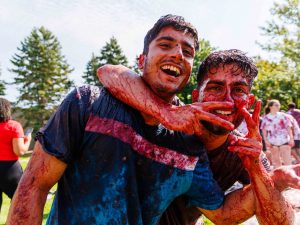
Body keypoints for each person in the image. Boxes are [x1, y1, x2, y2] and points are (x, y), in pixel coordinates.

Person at [6, 15, 243, 225]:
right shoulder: (87, 103)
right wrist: (167, 114)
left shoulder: (189, 142)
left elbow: (222, 213)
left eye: (188, 52)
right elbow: (34, 186)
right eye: (165, 44)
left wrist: (269, 177)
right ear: (141, 60)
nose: (177, 54)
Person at [97, 49, 299, 224]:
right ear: (196, 97)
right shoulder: (170, 119)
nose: (227, 100)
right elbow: (108, 73)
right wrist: (166, 113)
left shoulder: (247, 152)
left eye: (238, 90)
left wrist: (267, 174)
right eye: (215, 88)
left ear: (248, 101)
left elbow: (280, 222)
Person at [0, 98, 31, 212]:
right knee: (21, 206)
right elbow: (20, 151)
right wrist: (27, 140)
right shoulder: (14, 126)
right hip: (10, 170)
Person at [261, 99, 294, 168]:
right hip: (272, 142)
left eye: (279, 105)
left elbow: (289, 128)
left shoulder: (283, 116)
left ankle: (290, 178)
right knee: (276, 162)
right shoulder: (266, 118)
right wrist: (266, 141)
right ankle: (280, 178)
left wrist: (291, 139)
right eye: (276, 105)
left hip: (285, 141)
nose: (278, 106)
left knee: (287, 162)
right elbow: (264, 131)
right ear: (270, 106)